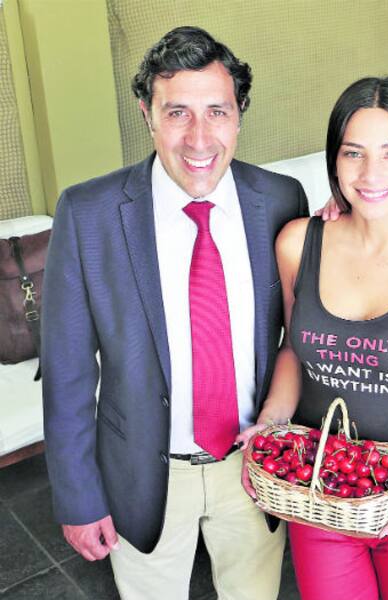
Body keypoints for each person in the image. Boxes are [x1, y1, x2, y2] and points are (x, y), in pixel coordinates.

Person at [41, 26, 307, 600]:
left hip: (253, 465)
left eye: (217, 112)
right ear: (147, 115)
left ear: (239, 116)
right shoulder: (88, 213)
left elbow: (300, 330)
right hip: (144, 470)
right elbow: (67, 370)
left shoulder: (282, 200)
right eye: (177, 112)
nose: (199, 137)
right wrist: (78, 497)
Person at [239, 76, 388, 600]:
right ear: (335, 161)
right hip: (319, 493)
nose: (371, 174)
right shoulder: (299, 242)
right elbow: (293, 349)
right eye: (354, 153)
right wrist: (271, 425)